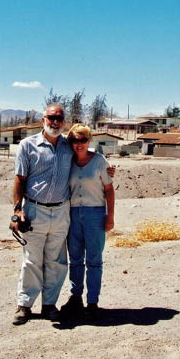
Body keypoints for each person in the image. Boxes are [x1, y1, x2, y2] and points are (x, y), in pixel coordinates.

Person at [11, 105, 115, 326]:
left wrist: (108, 168)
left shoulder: (68, 147)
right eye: (51, 117)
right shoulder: (27, 146)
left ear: (64, 121)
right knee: (32, 259)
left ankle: (49, 305)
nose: (55, 121)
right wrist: (17, 211)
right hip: (34, 210)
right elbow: (19, 179)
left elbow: (87, 155)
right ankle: (24, 305)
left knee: (57, 260)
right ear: (43, 119)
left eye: (59, 118)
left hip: (61, 211)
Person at [60, 124, 115, 321]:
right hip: (73, 214)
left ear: (89, 140)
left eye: (83, 140)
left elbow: (109, 189)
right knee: (75, 259)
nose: (79, 144)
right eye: (75, 140)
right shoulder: (68, 162)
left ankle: (93, 302)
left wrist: (110, 217)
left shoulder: (100, 161)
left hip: (95, 214)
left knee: (94, 260)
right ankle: (76, 298)